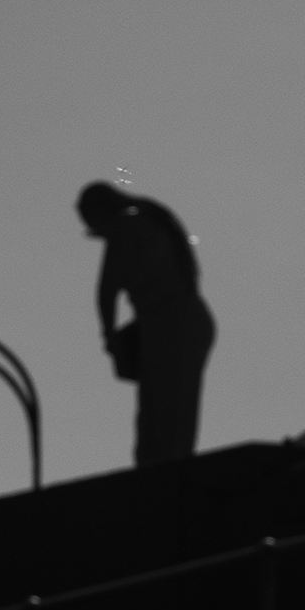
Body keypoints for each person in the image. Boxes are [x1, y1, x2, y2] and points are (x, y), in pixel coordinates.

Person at [77, 181, 217, 464]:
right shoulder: (147, 220)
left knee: (161, 419)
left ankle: (161, 481)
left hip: (171, 323)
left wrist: (110, 338)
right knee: (175, 414)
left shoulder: (127, 227)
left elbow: (106, 292)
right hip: (183, 321)